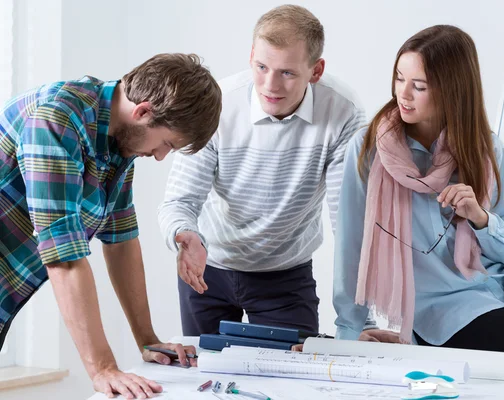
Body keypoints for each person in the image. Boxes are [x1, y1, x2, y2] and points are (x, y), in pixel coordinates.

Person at [332, 25, 504, 397]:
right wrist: (348, 333)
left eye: (419, 86)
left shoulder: (485, 146)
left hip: (503, 274)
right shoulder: (370, 152)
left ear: (452, 89)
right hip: (445, 304)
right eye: (399, 78)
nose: (402, 94)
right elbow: (352, 244)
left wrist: (480, 218)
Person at [0, 53, 222, 399]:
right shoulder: (57, 119)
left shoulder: (119, 140)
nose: (161, 156)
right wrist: (102, 368)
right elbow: (63, 257)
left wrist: (148, 340)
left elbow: (122, 241)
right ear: (144, 111)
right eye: (166, 143)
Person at [158, 5, 369, 336]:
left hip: (285, 276)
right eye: (261, 66)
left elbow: (349, 223)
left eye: (287, 73)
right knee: (202, 381)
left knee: (292, 383)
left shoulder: (344, 112)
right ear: (251, 55)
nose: (270, 85)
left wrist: (358, 323)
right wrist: (185, 235)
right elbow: (179, 201)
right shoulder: (219, 105)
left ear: (316, 70)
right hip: (207, 269)